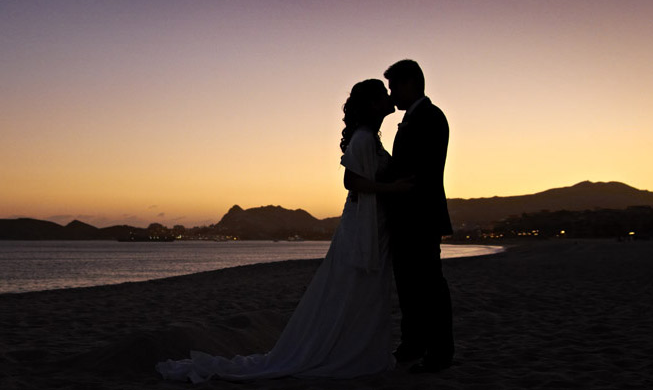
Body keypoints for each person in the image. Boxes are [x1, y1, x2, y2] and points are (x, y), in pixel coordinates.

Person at [155, 79, 410, 382]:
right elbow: (351, 182)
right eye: (382, 96)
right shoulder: (364, 139)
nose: (388, 99)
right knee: (354, 288)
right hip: (363, 225)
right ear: (370, 105)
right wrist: (392, 189)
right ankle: (349, 353)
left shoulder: (371, 138)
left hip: (373, 223)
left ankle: (359, 350)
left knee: (364, 291)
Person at [382, 59, 455, 373]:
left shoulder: (430, 117)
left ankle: (439, 352)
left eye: (394, 86)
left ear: (410, 83)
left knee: (428, 286)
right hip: (407, 216)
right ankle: (413, 344)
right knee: (409, 286)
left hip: (419, 215)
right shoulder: (416, 117)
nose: (391, 93)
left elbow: (421, 169)